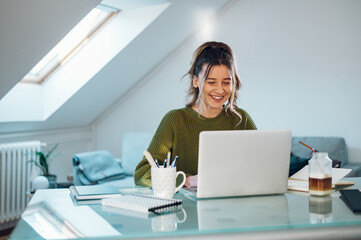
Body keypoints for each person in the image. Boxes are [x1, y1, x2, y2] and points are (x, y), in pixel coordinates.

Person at [134, 41, 257, 187]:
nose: (220, 90)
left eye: (226, 82)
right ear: (196, 81)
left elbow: (261, 166)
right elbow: (143, 174)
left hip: (232, 203)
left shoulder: (240, 120)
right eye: (211, 82)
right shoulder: (174, 120)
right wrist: (185, 180)